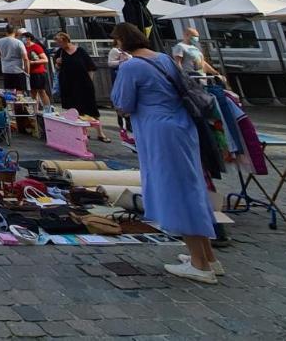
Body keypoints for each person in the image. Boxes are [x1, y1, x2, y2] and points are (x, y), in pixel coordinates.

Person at [110, 22, 220, 283]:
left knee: (176, 189)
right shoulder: (163, 58)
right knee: (192, 185)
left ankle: (200, 265)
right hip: (183, 127)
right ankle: (208, 255)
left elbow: (123, 103)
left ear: (121, 42)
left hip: (159, 131)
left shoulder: (131, 66)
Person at [51, 32, 110, 142]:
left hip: (83, 83)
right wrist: (58, 64)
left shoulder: (80, 51)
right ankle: (83, 132)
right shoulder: (60, 53)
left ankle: (100, 133)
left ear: (65, 40)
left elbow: (90, 67)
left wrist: (89, 81)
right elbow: (57, 68)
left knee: (91, 108)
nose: (58, 44)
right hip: (68, 84)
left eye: (59, 42)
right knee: (74, 110)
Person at [108, 37, 134, 141]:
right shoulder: (115, 50)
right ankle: (123, 122)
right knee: (121, 98)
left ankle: (128, 123)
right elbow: (110, 63)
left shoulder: (126, 51)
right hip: (119, 76)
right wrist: (121, 61)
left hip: (127, 76)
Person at [0, 25, 30, 92]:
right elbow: (25, 58)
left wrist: (4, 54)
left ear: (6, 31)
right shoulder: (19, 42)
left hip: (6, 70)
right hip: (18, 70)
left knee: (9, 92)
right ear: (15, 32)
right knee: (20, 92)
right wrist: (27, 72)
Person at [22, 31, 51, 106]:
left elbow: (45, 59)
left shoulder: (36, 47)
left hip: (38, 73)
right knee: (33, 93)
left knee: (42, 91)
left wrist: (33, 62)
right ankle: (35, 112)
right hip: (29, 73)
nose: (22, 39)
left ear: (29, 38)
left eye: (23, 38)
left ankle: (48, 110)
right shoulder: (24, 48)